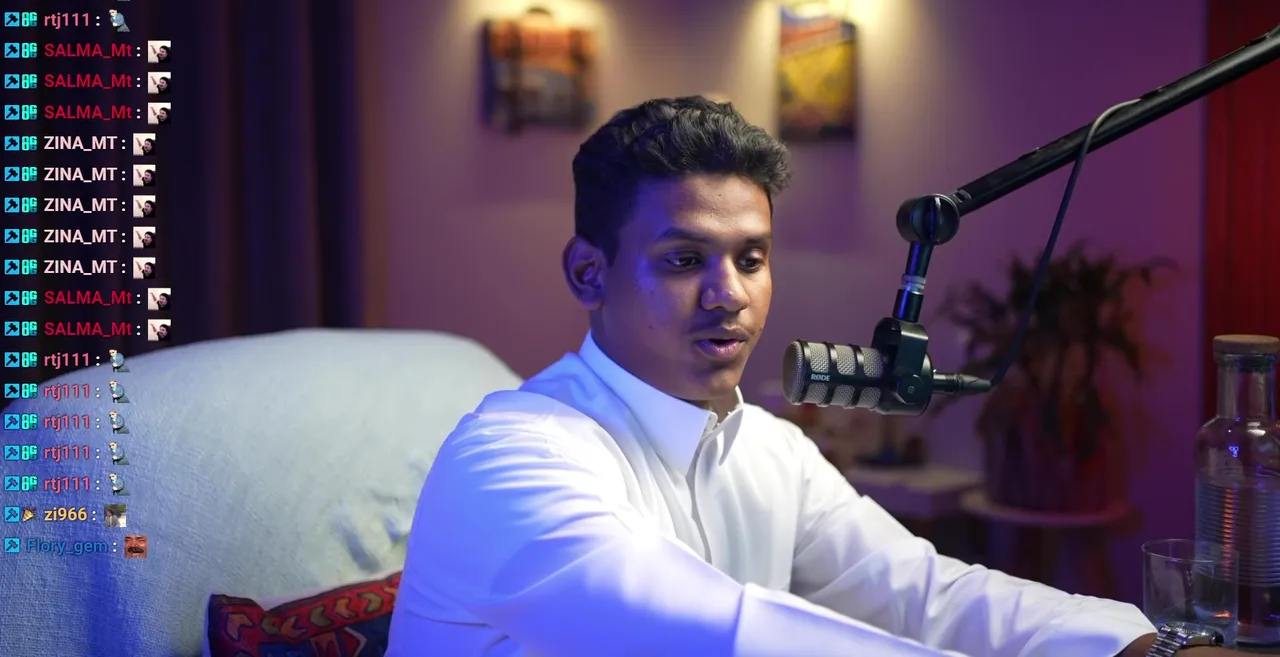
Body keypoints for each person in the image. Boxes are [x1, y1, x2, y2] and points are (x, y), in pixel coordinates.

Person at [386, 97, 1226, 657]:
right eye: (683, 260)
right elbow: (719, 635)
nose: (729, 295)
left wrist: (1142, 647)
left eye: (751, 259)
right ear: (588, 273)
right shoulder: (511, 456)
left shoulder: (772, 451)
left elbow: (924, 595)